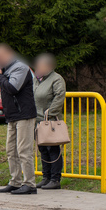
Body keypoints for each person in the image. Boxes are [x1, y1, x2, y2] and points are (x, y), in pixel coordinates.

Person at [0, 43, 38, 195]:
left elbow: (12, 88)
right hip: (12, 116)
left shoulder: (20, 68)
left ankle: (30, 184)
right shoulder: (6, 70)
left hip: (24, 115)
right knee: (11, 150)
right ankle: (15, 181)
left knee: (24, 151)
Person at [33, 53, 66, 190]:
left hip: (50, 121)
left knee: (52, 148)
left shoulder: (57, 79)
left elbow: (59, 96)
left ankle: (55, 179)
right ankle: (45, 177)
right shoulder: (37, 79)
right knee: (43, 149)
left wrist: (50, 112)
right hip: (38, 120)